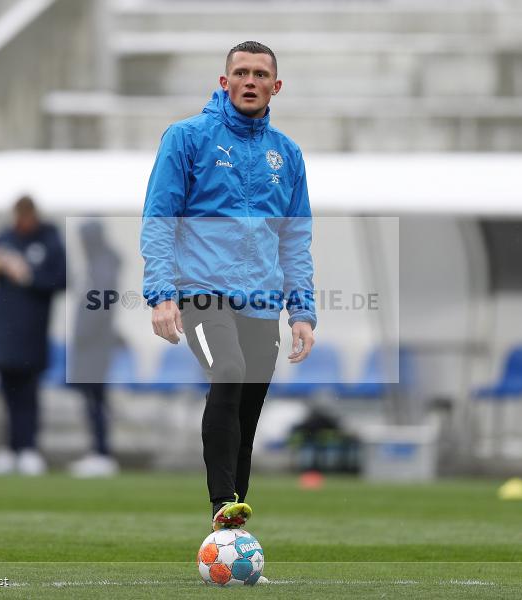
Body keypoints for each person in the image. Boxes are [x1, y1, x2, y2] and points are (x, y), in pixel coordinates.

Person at [140, 42, 317, 537]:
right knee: (230, 370)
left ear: (275, 87)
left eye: (261, 74)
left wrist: (301, 310)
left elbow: (296, 238)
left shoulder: (288, 154)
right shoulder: (186, 138)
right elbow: (159, 219)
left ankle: (231, 529)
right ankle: (222, 501)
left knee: (247, 416)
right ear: (224, 82)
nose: (250, 80)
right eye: (240, 72)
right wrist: (161, 294)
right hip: (201, 291)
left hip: (262, 300)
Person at [0, 196, 66, 476]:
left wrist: (26, 275)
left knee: (28, 393)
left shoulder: (49, 239)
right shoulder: (2, 238)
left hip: (33, 330)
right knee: (5, 391)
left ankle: (28, 449)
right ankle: (8, 449)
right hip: (3, 330)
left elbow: (60, 280)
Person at [68, 220, 123, 478]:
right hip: (92, 344)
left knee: (95, 399)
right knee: (92, 399)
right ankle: (97, 450)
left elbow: (100, 307)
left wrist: (84, 333)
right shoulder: (98, 265)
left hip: (95, 345)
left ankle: (101, 451)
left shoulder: (103, 266)